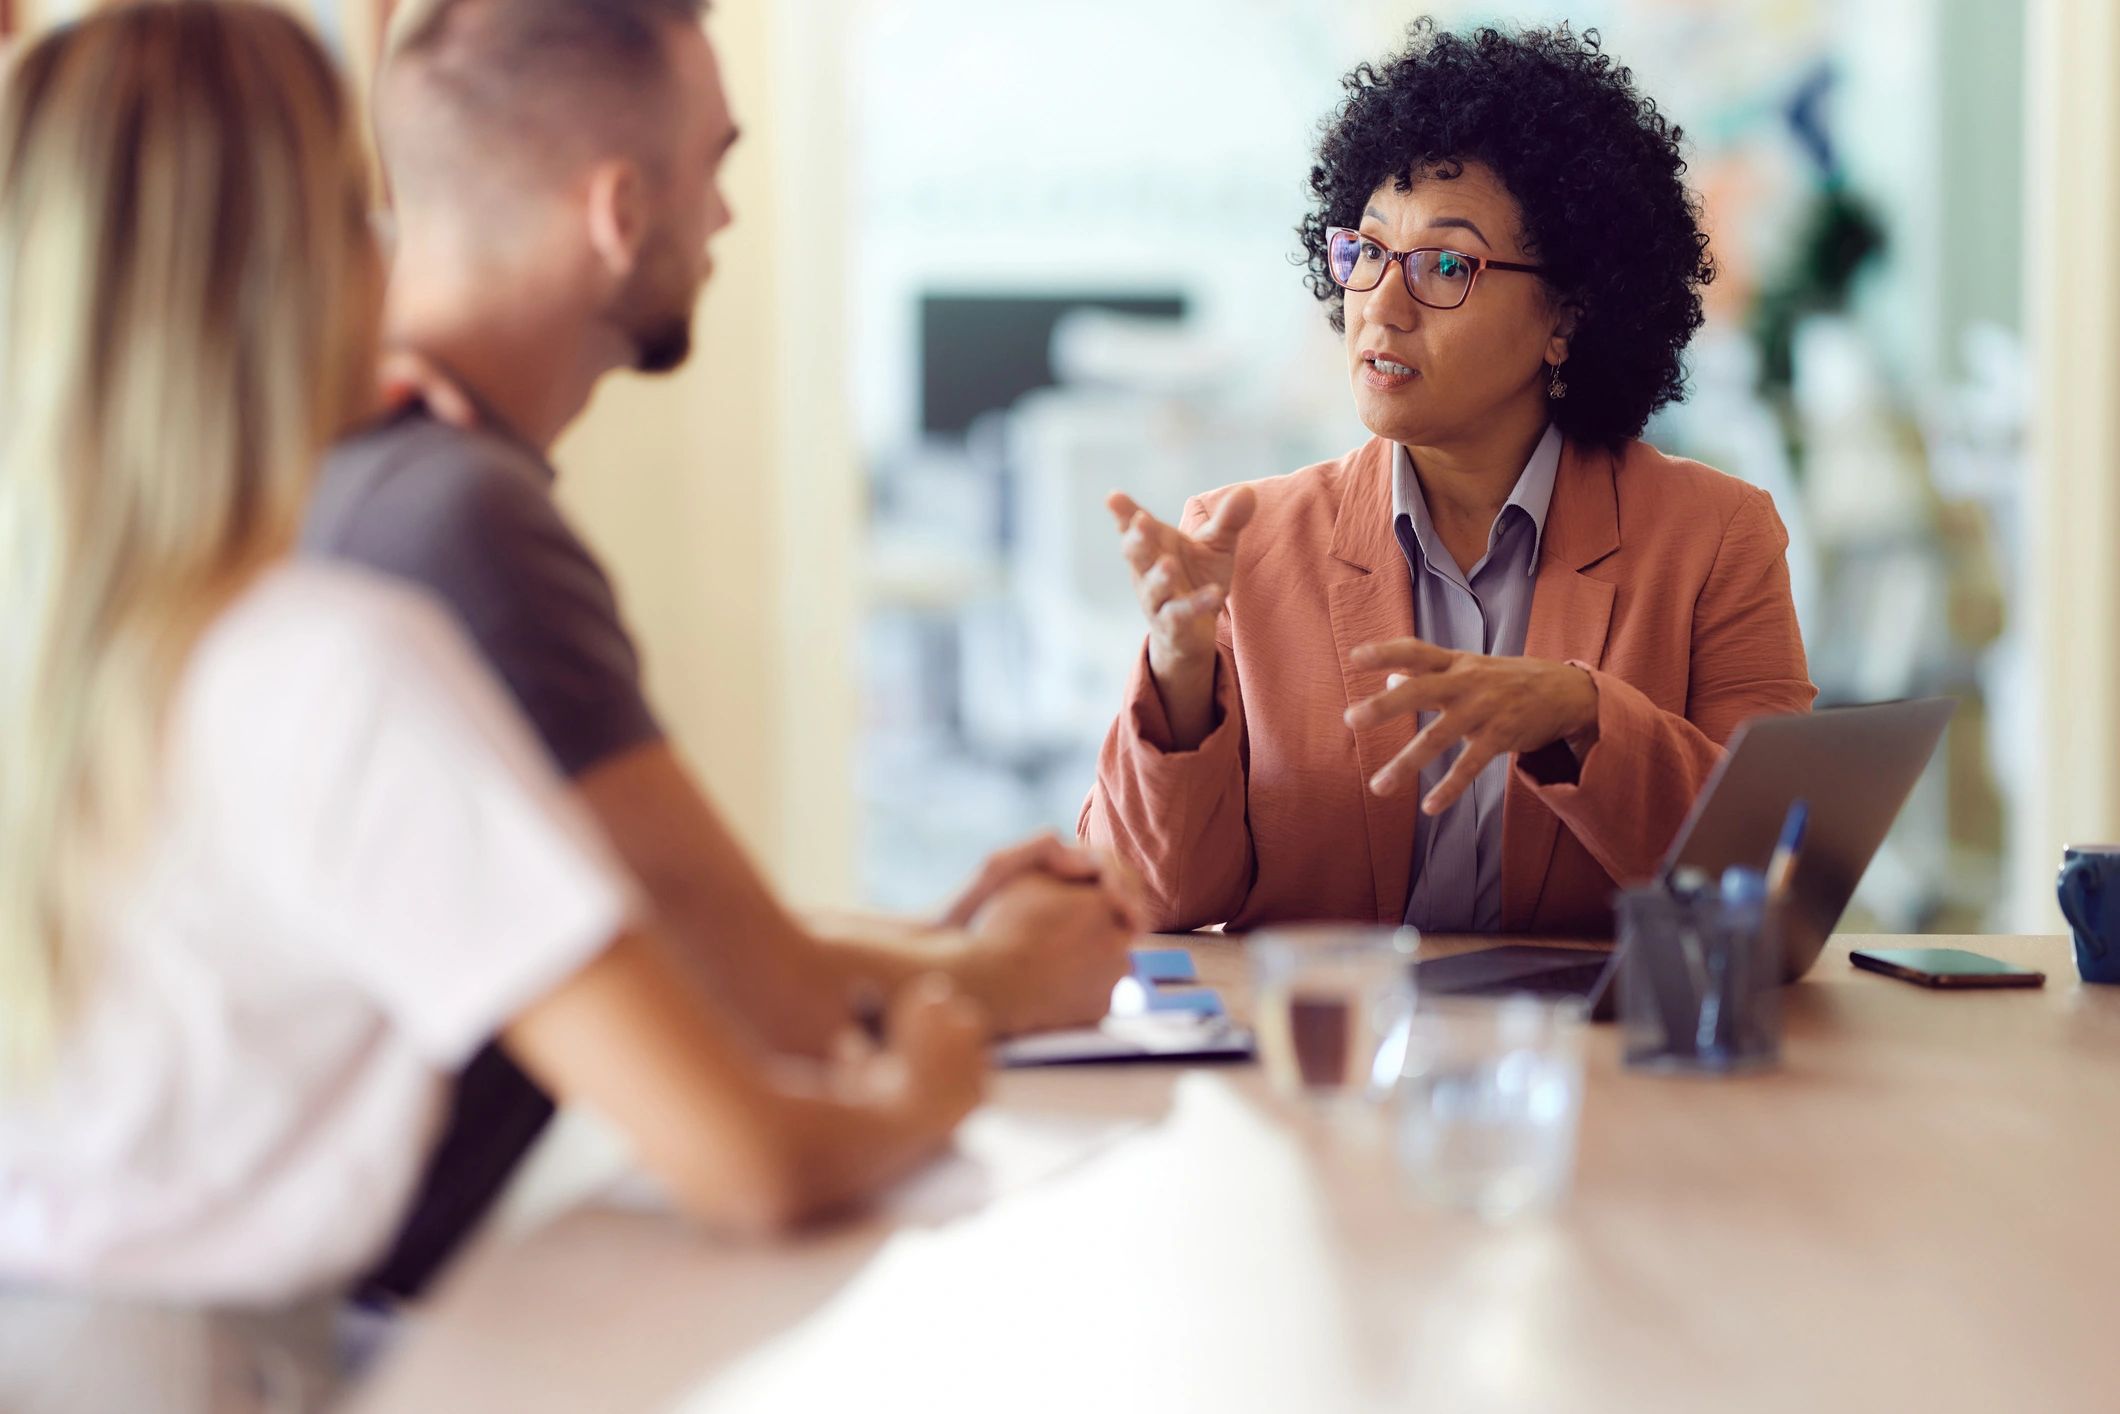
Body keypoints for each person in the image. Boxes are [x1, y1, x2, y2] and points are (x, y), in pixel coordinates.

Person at [0, 0, 985, 1306]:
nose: (392, 250)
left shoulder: (80, 649)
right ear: (284, 276)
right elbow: (750, 1158)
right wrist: (931, 1078)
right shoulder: (330, 668)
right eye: (358, 210)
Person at [309, 0, 1142, 1296]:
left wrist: (936, 944)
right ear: (619, 211)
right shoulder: (465, 524)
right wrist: (998, 977)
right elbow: (770, 1009)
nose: (728, 218)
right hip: (374, 1345)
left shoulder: (374, 472)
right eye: (717, 165)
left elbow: (662, 934)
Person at [1081, 20, 1816, 935]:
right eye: (1368, 251)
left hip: (1593, 1069)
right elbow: (1146, 901)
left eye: (1445, 265)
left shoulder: (1715, 539)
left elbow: (1777, 883)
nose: (1381, 305)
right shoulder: (1244, 545)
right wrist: (1178, 673)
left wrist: (1586, 717)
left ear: (1569, 314)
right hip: (1330, 1056)